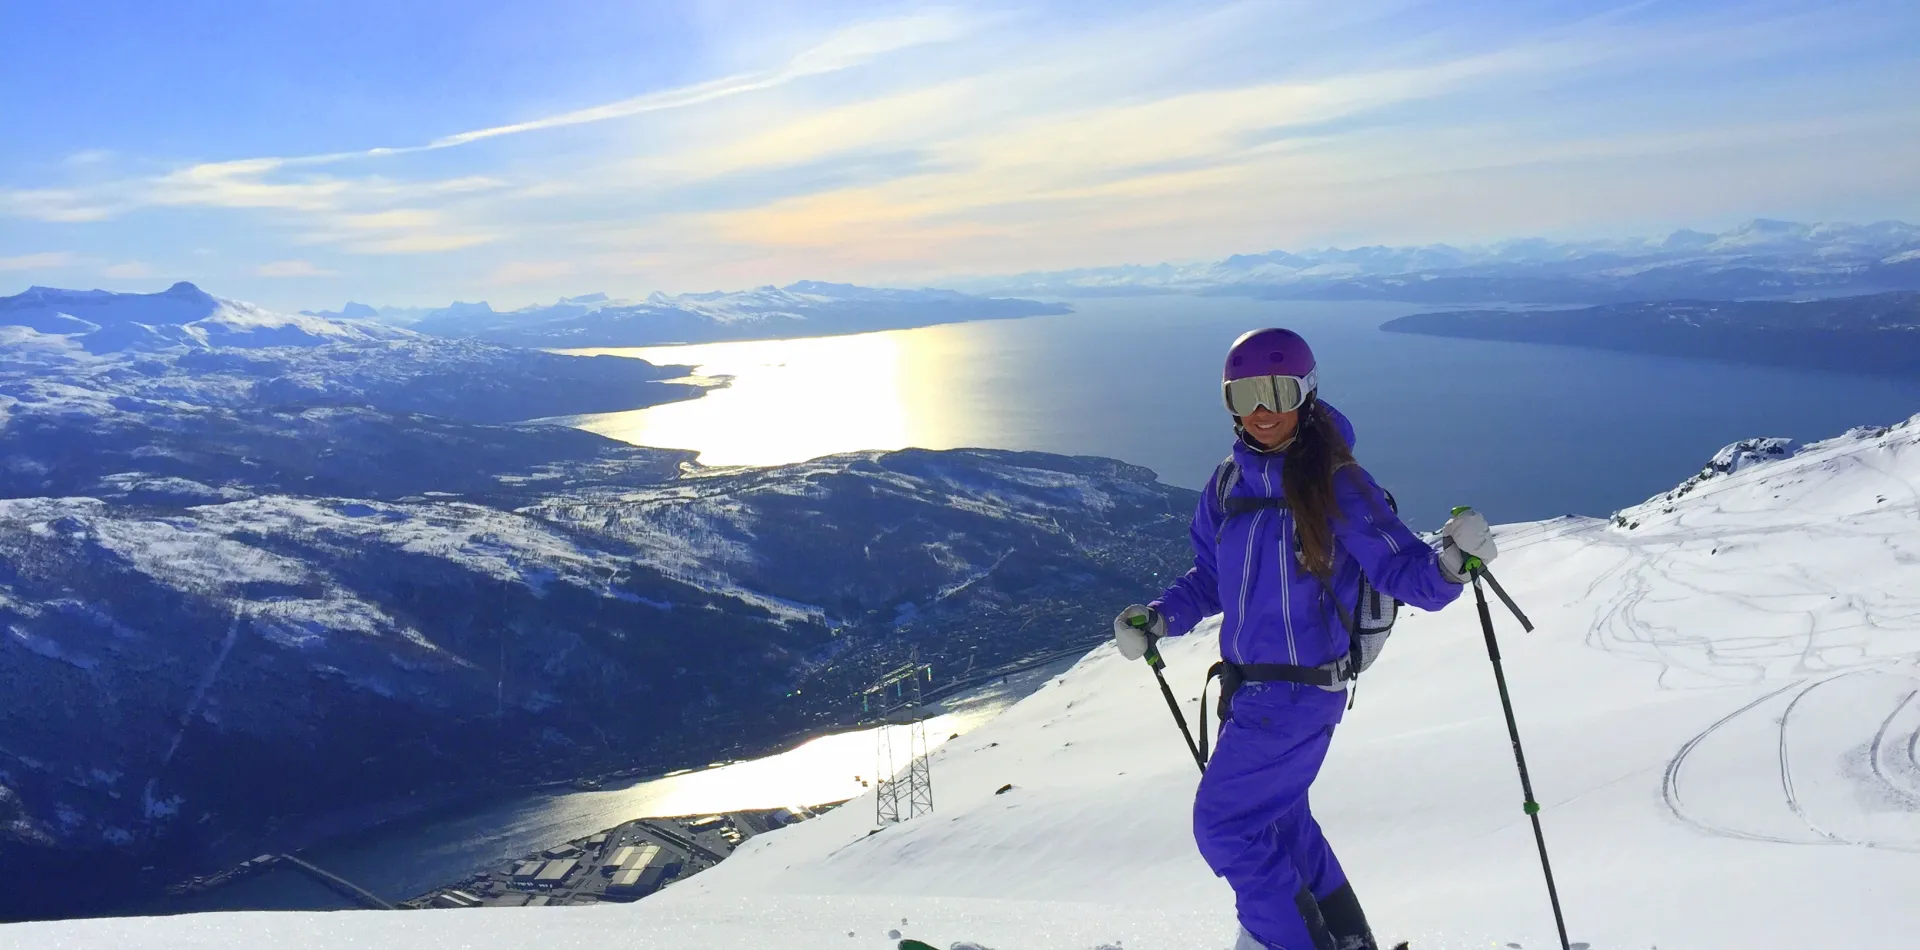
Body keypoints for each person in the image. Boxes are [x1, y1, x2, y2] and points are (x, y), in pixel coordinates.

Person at [1111, 328, 1498, 950]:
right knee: (1282, 825)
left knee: (1225, 826)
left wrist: (1456, 561)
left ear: (1307, 395)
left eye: (1276, 392)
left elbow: (1404, 573)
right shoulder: (1226, 487)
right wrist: (1159, 618)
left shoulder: (1338, 483)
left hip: (1300, 696)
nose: (1261, 411)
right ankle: (1348, 940)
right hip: (1247, 695)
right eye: (1244, 396)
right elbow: (1213, 579)